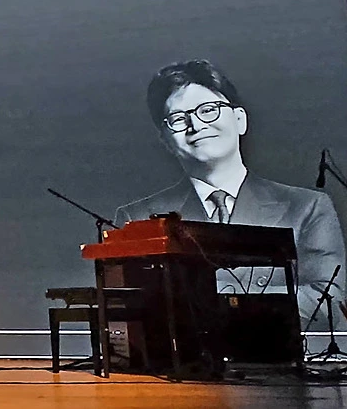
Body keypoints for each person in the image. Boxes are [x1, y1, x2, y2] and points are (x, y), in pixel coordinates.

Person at [116, 59, 346, 324]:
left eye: (208, 110)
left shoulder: (307, 207)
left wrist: (213, 297)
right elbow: (132, 309)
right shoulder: (136, 218)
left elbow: (327, 302)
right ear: (165, 141)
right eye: (178, 118)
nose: (196, 125)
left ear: (239, 120)